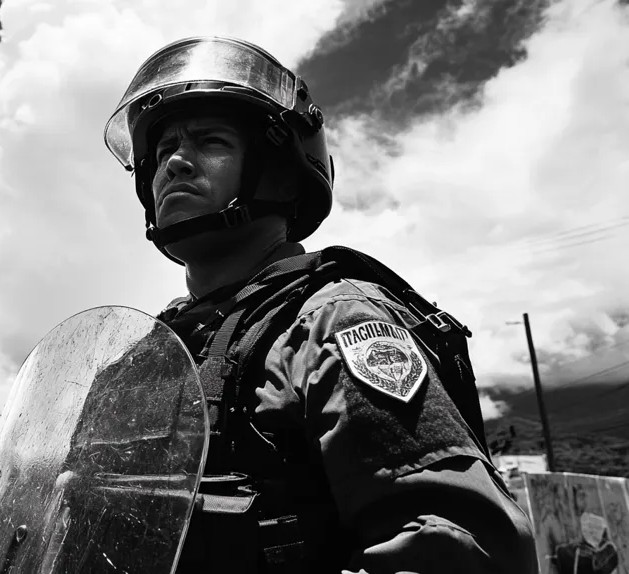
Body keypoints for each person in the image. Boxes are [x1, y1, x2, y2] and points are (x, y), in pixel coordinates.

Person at [102, 35, 539, 573]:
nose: (176, 163)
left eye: (210, 141)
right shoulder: (153, 352)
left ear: (277, 170)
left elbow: (455, 547)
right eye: (164, 148)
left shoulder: (333, 322)